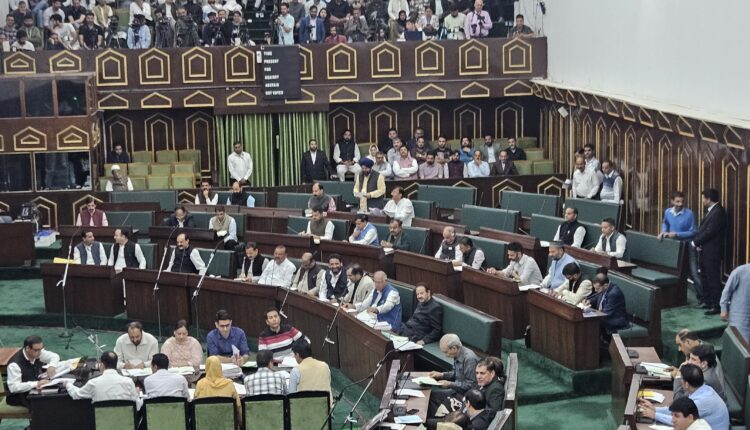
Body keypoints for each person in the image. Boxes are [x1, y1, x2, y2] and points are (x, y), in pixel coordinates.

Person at [639, 364, 729, 430]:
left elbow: (679, 420)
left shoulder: (702, 401)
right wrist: (655, 409)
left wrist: (654, 415)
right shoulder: (704, 389)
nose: (680, 381)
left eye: (681, 379)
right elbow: (679, 412)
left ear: (686, 384)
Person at [65, 352, 142, 410]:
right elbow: (138, 406)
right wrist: (137, 395)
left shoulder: (93, 383)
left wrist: (67, 384)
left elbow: (76, 395)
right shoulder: (128, 382)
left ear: (101, 365)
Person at [692, 188, 727, 315]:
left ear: (709, 199)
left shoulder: (718, 212)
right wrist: (700, 244)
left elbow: (710, 232)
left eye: (703, 198)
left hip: (712, 252)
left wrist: (695, 242)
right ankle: (707, 302)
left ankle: (716, 306)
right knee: (705, 277)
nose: (702, 200)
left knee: (713, 279)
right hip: (705, 250)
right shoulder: (713, 211)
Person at [659, 191, 699, 300]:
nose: (680, 204)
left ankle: (704, 298)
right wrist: (663, 232)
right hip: (674, 247)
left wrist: (677, 234)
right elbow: (665, 223)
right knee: (674, 272)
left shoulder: (689, 214)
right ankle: (675, 298)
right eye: (677, 201)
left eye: (682, 201)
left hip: (688, 247)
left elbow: (694, 232)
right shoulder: (667, 212)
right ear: (672, 201)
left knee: (694, 272)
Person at [6, 335, 60, 407]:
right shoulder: (14, 365)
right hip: (20, 396)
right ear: (27, 348)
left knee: (59, 395)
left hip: (35, 389)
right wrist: (36, 384)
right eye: (36, 350)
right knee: (51, 404)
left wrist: (52, 366)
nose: (40, 352)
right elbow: (14, 387)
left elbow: (55, 356)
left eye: (41, 349)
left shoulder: (38, 352)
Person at [428, 334, 479, 402]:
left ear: (454, 348)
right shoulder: (457, 354)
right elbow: (456, 373)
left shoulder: (469, 359)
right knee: (430, 395)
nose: (445, 355)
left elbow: (471, 385)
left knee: (431, 399)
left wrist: (450, 384)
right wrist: (441, 375)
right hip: (456, 390)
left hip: (465, 396)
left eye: (446, 352)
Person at [581, 273, 628, 340]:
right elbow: (597, 297)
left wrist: (590, 311)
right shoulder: (604, 288)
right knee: (587, 320)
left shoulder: (614, 293)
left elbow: (605, 314)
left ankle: (595, 344)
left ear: (605, 285)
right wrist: (589, 301)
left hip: (614, 320)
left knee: (591, 322)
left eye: (597, 288)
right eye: (595, 288)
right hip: (604, 317)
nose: (595, 291)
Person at [721, 263, 750, 341]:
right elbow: (727, 291)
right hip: (740, 317)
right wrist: (724, 309)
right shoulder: (740, 271)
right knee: (741, 344)